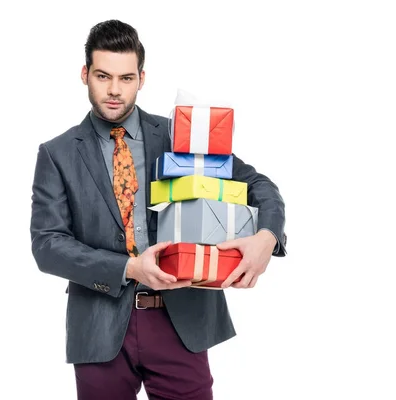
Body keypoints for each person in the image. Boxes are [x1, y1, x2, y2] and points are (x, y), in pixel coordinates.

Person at [29, 19, 287, 400]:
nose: (114, 90)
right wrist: (128, 268)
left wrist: (268, 236)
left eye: (126, 78)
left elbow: (258, 184)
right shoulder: (57, 154)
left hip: (181, 320)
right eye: (103, 76)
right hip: (99, 328)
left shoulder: (176, 135)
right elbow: (47, 245)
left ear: (141, 78)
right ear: (85, 74)